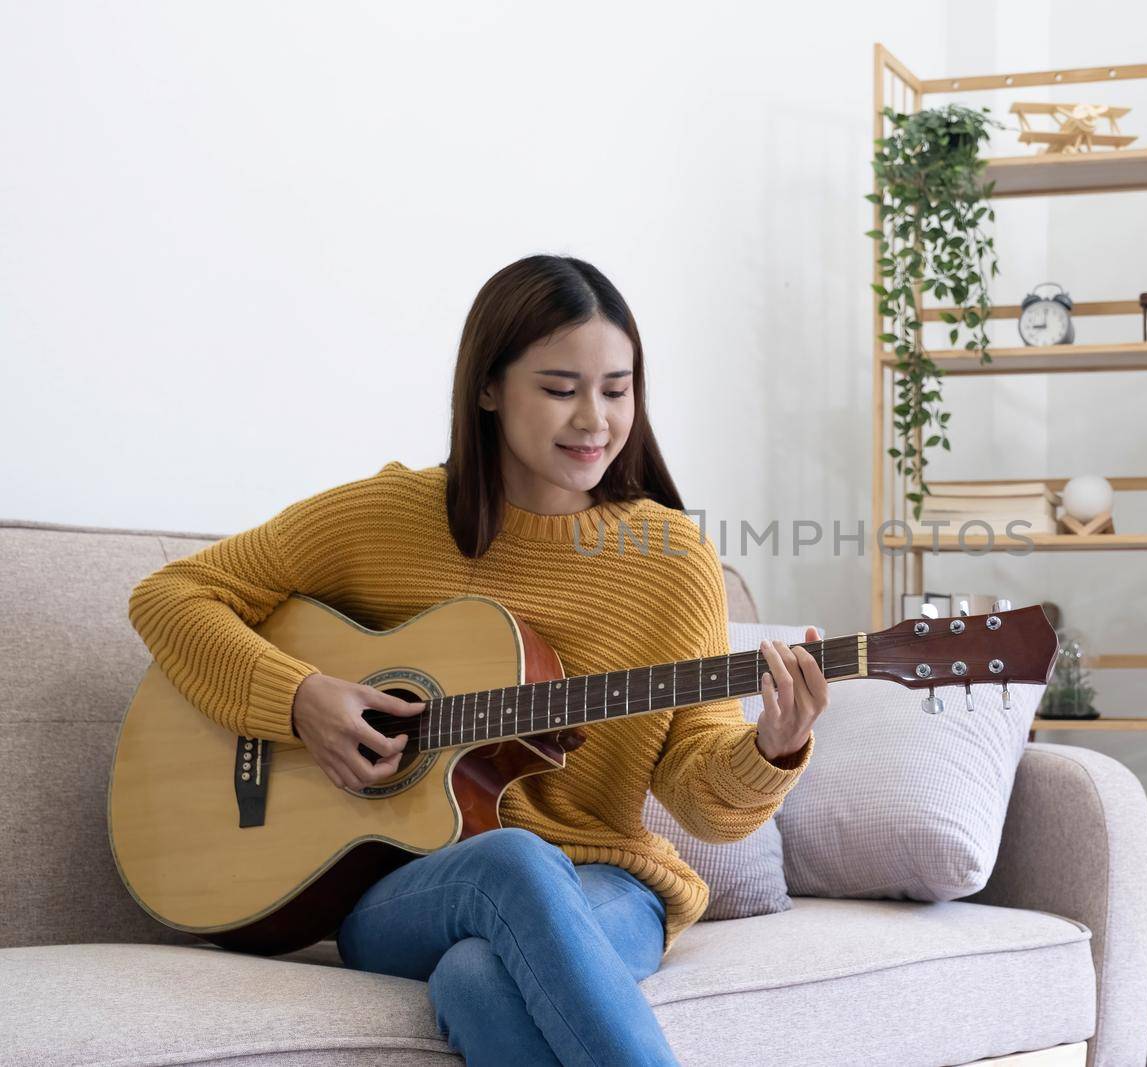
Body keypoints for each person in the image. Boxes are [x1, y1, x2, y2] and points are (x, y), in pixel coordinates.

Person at [125, 254, 829, 1065]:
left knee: (474, 978)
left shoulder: (670, 559)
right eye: (561, 388)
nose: (594, 419)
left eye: (617, 388)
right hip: (402, 887)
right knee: (509, 859)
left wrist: (773, 749)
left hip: (607, 884)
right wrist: (299, 698)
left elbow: (699, 795)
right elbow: (173, 595)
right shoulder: (389, 517)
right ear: (488, 387)